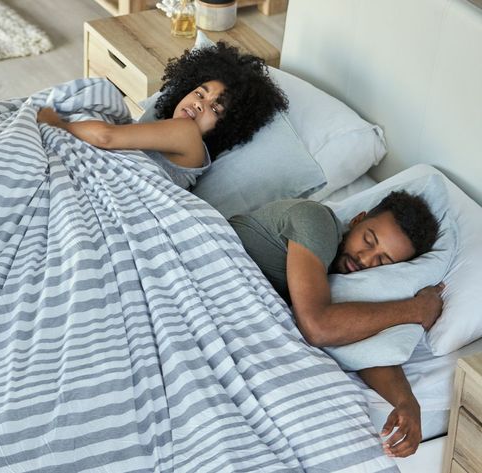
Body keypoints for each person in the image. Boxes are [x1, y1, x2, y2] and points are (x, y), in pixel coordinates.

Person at [228, 190, 444, 459]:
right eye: (368, 240)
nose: (366, 259)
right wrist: (416, 309)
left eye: (383, 261)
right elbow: (318, 327)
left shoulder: (343, 284)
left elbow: (362, 344)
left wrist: (407, 403)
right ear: (357, 220)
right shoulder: (318, 221)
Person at [37, 42, 288, 189]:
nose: (201, 104)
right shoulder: (174, 134)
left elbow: (105, 137)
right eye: (200, 94)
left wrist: (56, 123)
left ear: (226, 126)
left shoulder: (187, 134)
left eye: (215, 108)